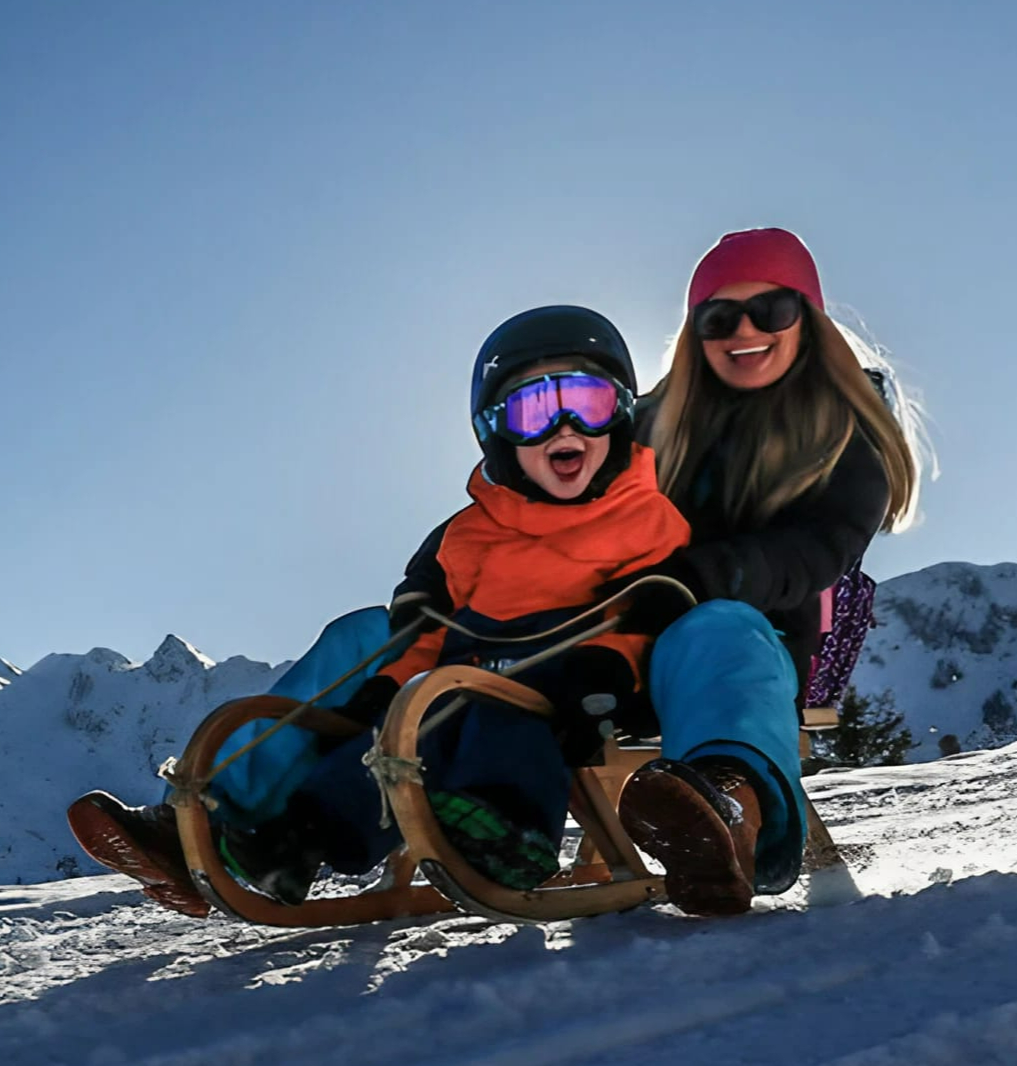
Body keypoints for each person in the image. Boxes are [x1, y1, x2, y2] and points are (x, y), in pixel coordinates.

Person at [67, 305, 694, 910]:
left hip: (568, 687)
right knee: (381, 680)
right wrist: (386, 685)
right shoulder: (471, 533)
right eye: (534, 410)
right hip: (463, 675)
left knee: (455, 705)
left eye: (586, 403)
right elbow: (429, 628)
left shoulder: (645, 519)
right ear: (496, 430)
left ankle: (499, 832)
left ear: (622, 413)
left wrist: (607, 672)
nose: (565, 428)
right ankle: (246, 835)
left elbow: (651, 611)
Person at [608, 226, 923, 916]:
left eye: (771, 310)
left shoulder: (845, 429)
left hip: (761, 642)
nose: (744, 330)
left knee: (718, 630)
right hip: (630, 638)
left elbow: (819, 548)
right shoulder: (653, 425)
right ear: (696, 333)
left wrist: (707, 575)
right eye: (719, 317)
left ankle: (728, 814)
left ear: (806, 318)